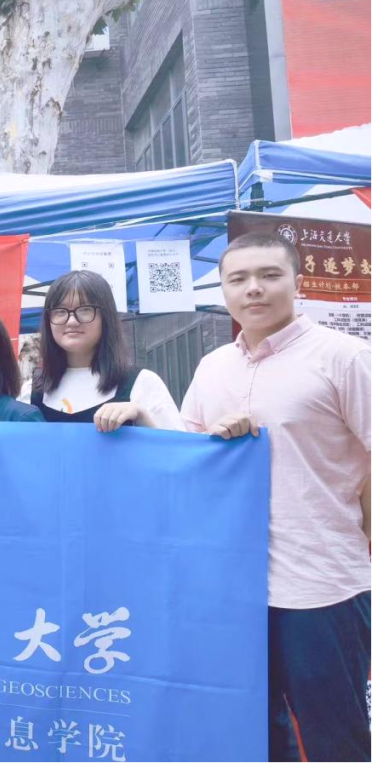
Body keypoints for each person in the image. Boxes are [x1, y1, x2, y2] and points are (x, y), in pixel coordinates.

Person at [181, 232, 372, 762]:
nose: (254, 289)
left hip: (323, 585)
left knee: (336, 737)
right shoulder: (212, 367)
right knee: (254, 733)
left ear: (298, 281)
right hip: (234, 587)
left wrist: (359, 534)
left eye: (269, 275)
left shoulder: (345, 357)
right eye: (238, 279)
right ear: (223, 290)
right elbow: (187, 456)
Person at [24, 270, 183, 430]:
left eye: (85, 309)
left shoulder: (143, 383)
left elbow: (178, 445)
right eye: (60, 311)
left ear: (106, 317)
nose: (71, 321)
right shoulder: (31, 390)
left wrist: (140, 415)